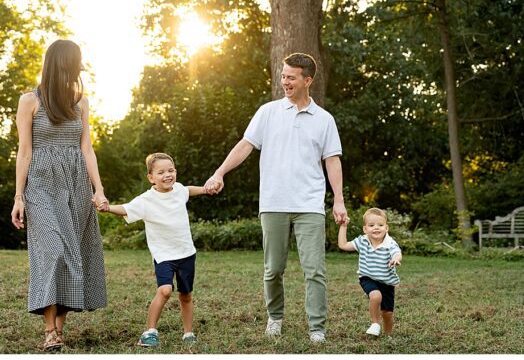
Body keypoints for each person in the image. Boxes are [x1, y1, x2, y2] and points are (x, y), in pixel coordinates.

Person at [203, 52, 347, 343]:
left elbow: (332, 161)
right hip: (273, 203)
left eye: (291, 77)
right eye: (283, 76)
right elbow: (245, 146)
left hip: (309, 205)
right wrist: (220, 172)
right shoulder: (267, 112)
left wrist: (339, 199)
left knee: (315, 270)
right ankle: (275, 318)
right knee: (273, 270)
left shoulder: (324, 119)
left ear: (308, 80)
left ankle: (317, 328)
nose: (285, 82)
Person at [10, 39, 108, 351]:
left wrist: (99, 187)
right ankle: (49, 328)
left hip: (76, 183)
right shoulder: (30, 101)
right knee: (52, 250)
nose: (80, 67)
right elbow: (24, 151)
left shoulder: (81, 102)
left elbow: (86, 147)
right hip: (41, 182)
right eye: (76, 61)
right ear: (63, 64)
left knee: (72, 253)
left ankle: (57, 331)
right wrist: (18, 196)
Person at [99, 153, 208, 347]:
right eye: (161, 172)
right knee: (165, 290)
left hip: (186, 253)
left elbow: (188, 190)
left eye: (171, 170)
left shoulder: (179, 190)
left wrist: (205, 189)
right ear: (151, 177)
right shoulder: (146, 200)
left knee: (186, 295)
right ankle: (150, 332)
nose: (167, 175)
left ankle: (188, 333)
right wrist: (108, 208)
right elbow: (125, 208)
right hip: (164, 255)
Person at [336, 208, 403, 336]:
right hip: (367, 277)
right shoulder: (362, 241)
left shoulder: (390, 243)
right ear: (365, 229)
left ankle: (388, 335)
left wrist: (395, 259)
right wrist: (343, 226)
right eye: (371, 225)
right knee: (375, 296)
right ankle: (375, 323)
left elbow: (397, 253)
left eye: (380, 225)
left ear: (386, 228)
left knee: (387, 313)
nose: (376, 228)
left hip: (387, 282)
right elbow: (343, 245)